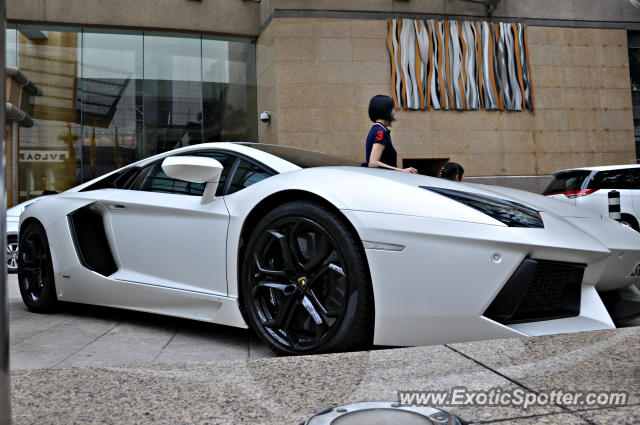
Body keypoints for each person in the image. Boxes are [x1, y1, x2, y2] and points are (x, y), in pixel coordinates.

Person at [364, 95, 417, 173]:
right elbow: (373, 163)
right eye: (392, 108)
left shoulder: (377, 129)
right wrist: (402, 170)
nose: (394, 112)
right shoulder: (381, 131)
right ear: (384, 110)